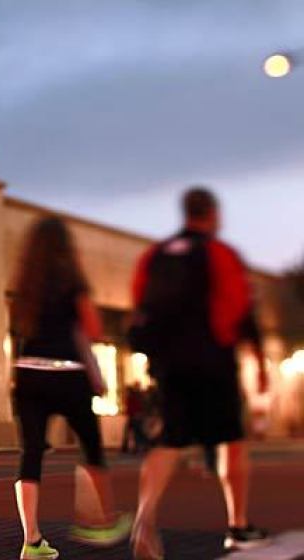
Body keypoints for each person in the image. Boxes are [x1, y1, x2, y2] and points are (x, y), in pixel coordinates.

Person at [129, 187, 269, 558]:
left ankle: (145, 517)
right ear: (212, 214)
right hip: (211, 360)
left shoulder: (155, 255)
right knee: (231, 441)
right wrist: (256, 359)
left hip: (170, 364)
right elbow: (240, 307)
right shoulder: (220, 253)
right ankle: (238, 525)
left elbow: (140, 304)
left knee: (168, 442)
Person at [10, 216, 132, 560]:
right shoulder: (71, 280)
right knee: (91, 446)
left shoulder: (26, 283)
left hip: (29, 373)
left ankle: (31, 540)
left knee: (31, 454)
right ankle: (101, 521)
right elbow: (92, 328)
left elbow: (21, 326)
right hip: (66, 373)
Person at [121, 382, 146, 454]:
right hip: (134, 417)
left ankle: (133, 448)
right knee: (135, 433)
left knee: (135, 433)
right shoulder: (136, 396)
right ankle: (132, 448)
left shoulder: (134, 397)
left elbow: (134, 407)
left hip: (134, 417)